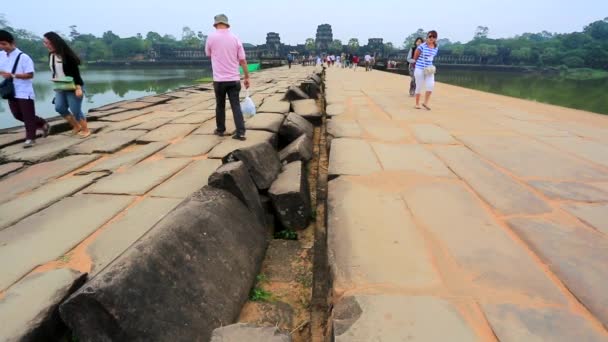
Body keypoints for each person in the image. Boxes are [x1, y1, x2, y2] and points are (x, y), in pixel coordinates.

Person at [0, 30, 50, 148]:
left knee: (28, 115)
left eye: (4, 44)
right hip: (11, 90)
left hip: (23, 90)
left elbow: (30, 75)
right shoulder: (1, 55)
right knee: (17, 114)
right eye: (0, 44)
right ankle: (42, 123)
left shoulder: (23, 57)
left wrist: (13, 75)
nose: (2, 47)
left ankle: (30, 138)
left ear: (12, 43)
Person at [205, 14, 250, 140]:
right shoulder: (235, 38)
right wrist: (247, 77)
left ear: (216, 24)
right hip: (234, 79)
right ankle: (241, 132)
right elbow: (242, 60)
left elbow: (208, 54)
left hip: (219, 80)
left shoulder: (211, 37)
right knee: (236, 105)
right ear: (226, 24)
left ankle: (220, 129)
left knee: (220, 105)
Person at [43, 32, 90, 138]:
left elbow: (76, 74)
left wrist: (78, 88)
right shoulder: (51, 55)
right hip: (60, 87)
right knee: (59, 107)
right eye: (45, 43)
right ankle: (76, 126)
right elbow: (55, 71)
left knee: (75, 109)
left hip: (73, 86)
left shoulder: (67, 56)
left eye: (48, 43)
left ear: (55, 42)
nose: (46, 45)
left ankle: (86, 129)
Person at [413, 30, 439, 110]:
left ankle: (425, 103)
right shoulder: (421, 46)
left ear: (436, 38)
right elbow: (415, 57)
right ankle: (417, 103)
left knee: (431, 85)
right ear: (427, 37)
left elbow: (432, 58)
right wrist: (417, 65)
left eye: (433, 37)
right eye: (430, 36)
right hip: (420, 68)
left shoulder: (436, 47)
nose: (431, 38)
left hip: (429, 69)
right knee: (419, 85)